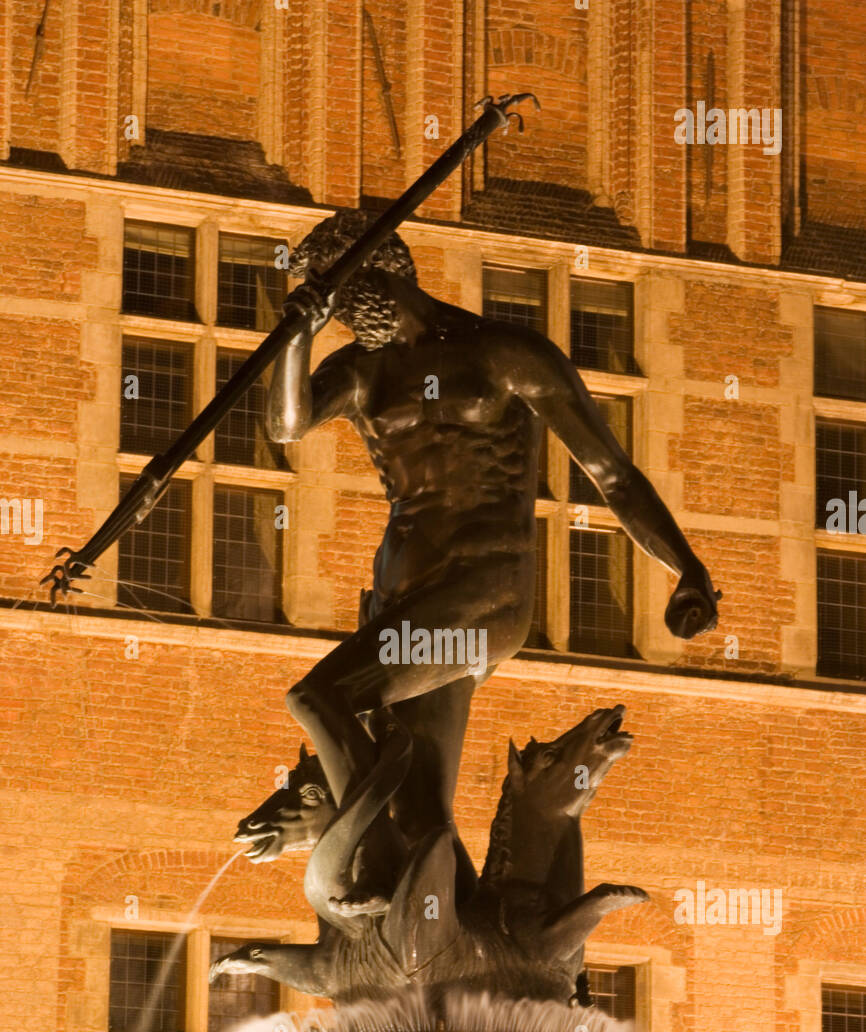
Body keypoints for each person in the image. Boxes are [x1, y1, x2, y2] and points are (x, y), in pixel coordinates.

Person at [246, 210, 719, 913]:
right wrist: (297, 335)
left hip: (482, 593)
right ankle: (487, 959)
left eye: (333, 293)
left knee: (319, 698)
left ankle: (371, 864)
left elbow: (611, 473)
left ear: (372, 272)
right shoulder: (360, 372)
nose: (336, 312)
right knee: (423, 810)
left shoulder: (503, 352)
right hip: (402, 596)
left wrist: (686, 566)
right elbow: (286, 425)